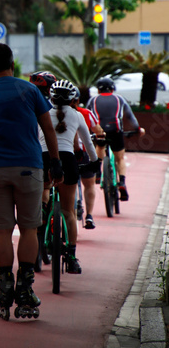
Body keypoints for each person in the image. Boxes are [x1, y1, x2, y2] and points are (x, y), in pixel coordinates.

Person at [0, 43, 64, 320]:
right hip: (29, 169)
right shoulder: (30, 90)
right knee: (30, 228)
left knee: (2, 230)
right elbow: (47, 128)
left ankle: (5, 287)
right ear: (12, 64)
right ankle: (25, 289)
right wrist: (55, 162)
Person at [49, 79, 101, 274]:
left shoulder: (43, 114)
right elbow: (87, 143)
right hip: (68, 161)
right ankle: (71, 256)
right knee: (68, 211)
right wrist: (95, 161)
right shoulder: (78, 115)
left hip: (45, 160)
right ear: (73, 99)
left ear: (51, 97)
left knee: (43, 196)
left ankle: (42, 225)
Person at [86, 77, 145, 202]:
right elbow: (130, 116)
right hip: (116, 131)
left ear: (98, 89)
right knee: (120, 158)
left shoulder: (93, 99)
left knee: (100, 146)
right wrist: (138, 129)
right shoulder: (119, 99)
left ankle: (98, 172)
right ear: (113, 88)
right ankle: (122, 182)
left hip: (100, 130)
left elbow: (87, 115)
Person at [29, 70, 58, 270]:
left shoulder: (27, 100)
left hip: (29, 154)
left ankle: (39, 212)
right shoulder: (54, 105)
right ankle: (47, 214)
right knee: (48, 187)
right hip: (52, 153)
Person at [72, 88, 105, 230]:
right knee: (89, 184)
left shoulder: (52, 113)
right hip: (84, 154)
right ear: (78, 100)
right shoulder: (85, 113)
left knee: (69, 186)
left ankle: (70, 218)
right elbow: (98, 130)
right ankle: (89, 215)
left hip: (64, 154)